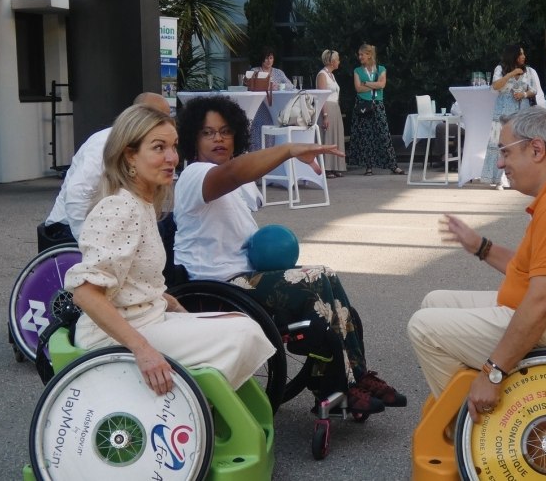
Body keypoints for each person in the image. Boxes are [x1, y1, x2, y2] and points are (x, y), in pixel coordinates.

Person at [173, 96, 406, 414]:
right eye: (208, 133)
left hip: (246, 276)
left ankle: (355, 377)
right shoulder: (194, 176)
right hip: (217, 285)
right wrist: (289, 150)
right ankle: (339, 385)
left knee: (327, 277)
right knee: (314, 279)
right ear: (193, 138)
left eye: (225, 131)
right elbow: (233, 174)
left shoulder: (240, 183)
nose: (218, 139)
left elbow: (238, 177)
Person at [408, 106, 546, 420]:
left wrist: (493, 372)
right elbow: (532, 271)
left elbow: (542, 301)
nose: (500, 163)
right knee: (434, 301)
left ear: (537, 149)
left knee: (423, 328)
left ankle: (478, 426)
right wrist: (481, 247)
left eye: (505, 152)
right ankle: (468, 406)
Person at [63, 104, 275, 396]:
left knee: (241, 323)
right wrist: (143, 350)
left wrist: (172, 304)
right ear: (130, 155)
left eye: (173, 146)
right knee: (245, 333)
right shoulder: (119, 207)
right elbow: (86, 293)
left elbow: (132, 282)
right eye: (158, 148)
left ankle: (195, 402)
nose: (172, 158)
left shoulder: (142, 203)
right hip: (114, 336)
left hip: (148, 318)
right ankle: (189, 405)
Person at [42, 93, 171, 244]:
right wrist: (89, 243)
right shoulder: (104, 142)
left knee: (168, 225)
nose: (166, 124)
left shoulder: (146, 145)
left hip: (111, 220)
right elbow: (76, 193)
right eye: (160, 118)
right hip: (69, 227)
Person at [481, 44, 541, 190]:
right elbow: (495, 86)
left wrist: (524, 94)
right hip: (503, 113)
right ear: (513, 55)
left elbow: (534, 90)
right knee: (501, 145)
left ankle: (520, 178)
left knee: (520, 145)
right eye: (521, 54)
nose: (524, 56)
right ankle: (499, 179)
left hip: (521, 113)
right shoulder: (500, 69)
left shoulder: (528, 71)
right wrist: (510, 74)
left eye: (523, 54)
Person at [349, 43, 405, 176]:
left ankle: (393, 165)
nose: (360, 57)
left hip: (377, 103)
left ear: (369, 55)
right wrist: (374, 85)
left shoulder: (380, 69)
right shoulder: (357, 70)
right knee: (365, 135)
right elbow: (358, 88)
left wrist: (366, 83)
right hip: (363, 104)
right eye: (359, 55)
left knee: (384, 135)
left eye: (362, 54)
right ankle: (368, 167)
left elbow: (382, 84)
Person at [316, 49, 347, 178]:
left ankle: (335, 166)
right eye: (337, 60)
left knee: (335, 136)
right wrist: (325, 115)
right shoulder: (322, 75)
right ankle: (326, 167)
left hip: (335, 107)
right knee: (327, 136)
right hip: (327, 107)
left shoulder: (332, 76)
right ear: (332, 61)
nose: (339, 62)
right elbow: (321, 96)